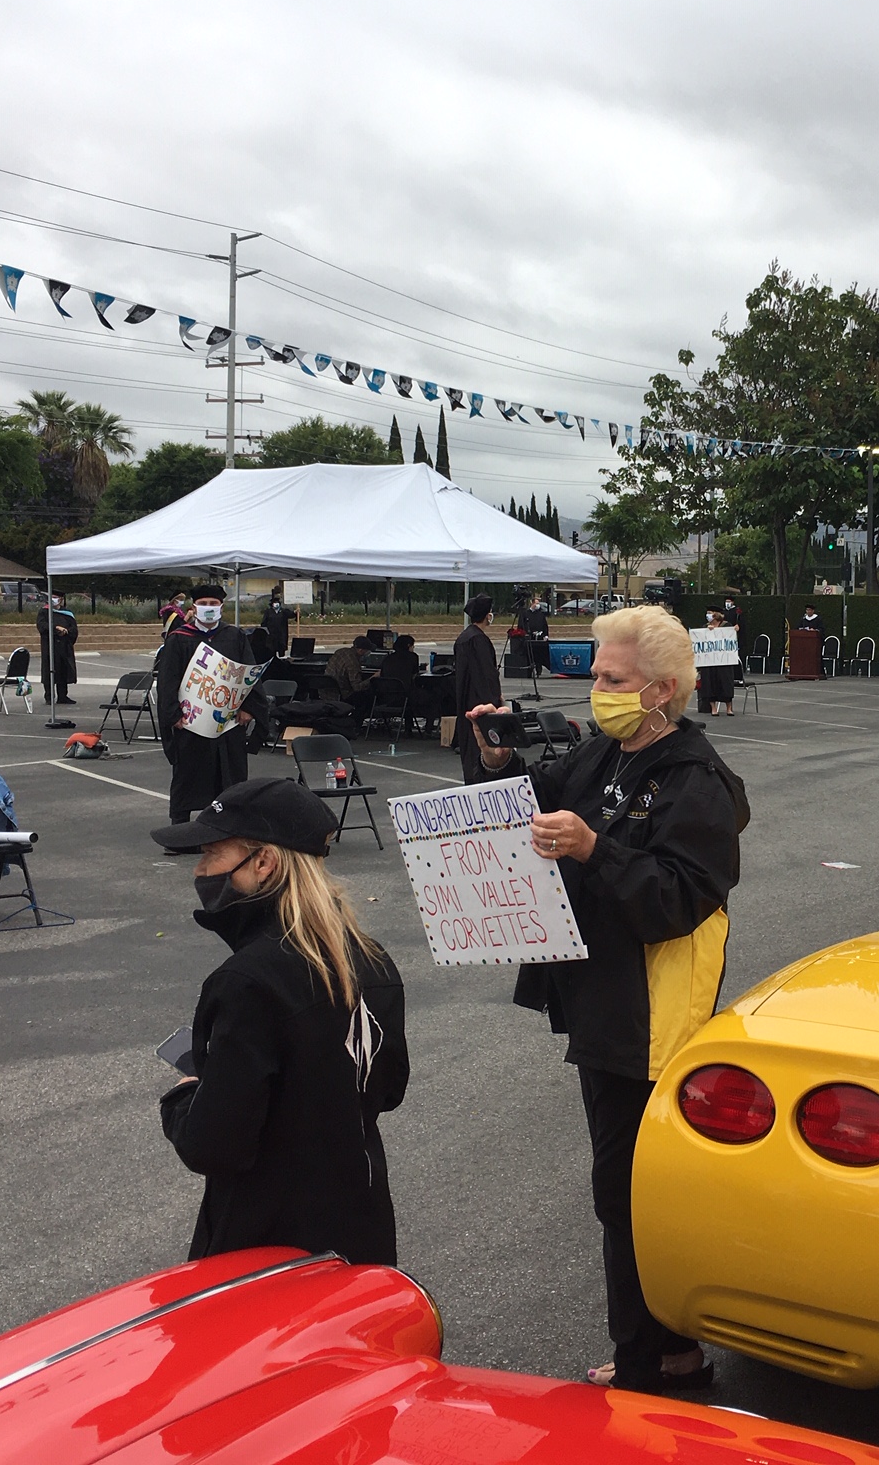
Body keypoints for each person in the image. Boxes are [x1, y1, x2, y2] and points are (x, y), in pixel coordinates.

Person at [466, 605, 749, 1395]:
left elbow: (679, 897)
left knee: (631, 1195)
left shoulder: (697, 781)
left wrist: (596, 849)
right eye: (595, 674)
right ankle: (662, 1349)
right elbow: (536, 797)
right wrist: (495, 760)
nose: (595, 688)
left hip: (653, 1016)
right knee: (624, 1191)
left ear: (662, 690)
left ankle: (651, 1368)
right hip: (603, 1004)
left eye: (611, 678)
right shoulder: (607, 752)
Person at [153, 778, 408, 1262]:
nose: (201, 871)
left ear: (264, 863)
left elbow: (214, 1145)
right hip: (360, 1222)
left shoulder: (246, 982)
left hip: (266, 1241)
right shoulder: (373, 961)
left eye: (212, 854)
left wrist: (186, 1094)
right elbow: (388, 1087)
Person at [156, 582, 258, 826]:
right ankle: (180, 832)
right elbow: (168, 681)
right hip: (191, 723)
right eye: (204, 604)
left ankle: (229, 829)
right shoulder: (179, 639)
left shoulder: (234, 636)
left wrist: (249, 708)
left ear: (222, 606)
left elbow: (248, 673)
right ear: (194, 607)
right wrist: (173, 715)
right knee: (188, 776)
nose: (209, 608)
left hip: (228, 722)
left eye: (214, 604)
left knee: (229, 775)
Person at [452, 595, 504, 783]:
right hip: (480, 703)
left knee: (470, 749)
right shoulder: (478, 640)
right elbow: (485, 675)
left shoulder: (464, 638)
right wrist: (496, 701)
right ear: (486, 615)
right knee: (482, 749)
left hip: (466, 700)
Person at [36, 593, 79, 705]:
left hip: (65, 646)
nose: (55, 600)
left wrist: (66, 631)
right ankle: (49, 697)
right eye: (53, 597)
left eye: (57, 598)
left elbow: (74, 629)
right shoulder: (44, 612)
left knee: (63, 671)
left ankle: (63, 696)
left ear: (61, 600)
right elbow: (42, 626)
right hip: (50, 646)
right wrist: (56, 629)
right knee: (50, 670)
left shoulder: (67, 613)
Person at [696, 608, 736, 716]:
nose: (708, 615)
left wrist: (735, 630)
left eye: (710, 613)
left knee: (725, 682)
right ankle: (713, 708)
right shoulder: (705, 627)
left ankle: (729, 707)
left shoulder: (726, 626)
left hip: (724, 660)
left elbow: (731, 637)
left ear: (716, 615)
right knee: (710, 683)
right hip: (710, 661)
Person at [324, 633, 373, 712]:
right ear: (360, 650)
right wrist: (373, 677)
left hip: (326, 693)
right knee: (369, 695)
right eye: (367, 651)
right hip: (343, 694)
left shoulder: (340, 652)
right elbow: (357, 688)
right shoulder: (353, 662)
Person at [260, 589, 291, 660]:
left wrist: (296, 612)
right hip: (271, 634)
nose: (276, 604)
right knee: (271, 650)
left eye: (277, 602)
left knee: (281, 649)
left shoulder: (283, 611)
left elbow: (291, 614)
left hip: (281, 633)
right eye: (275, 603)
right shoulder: (268, 612)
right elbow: (264, 622)